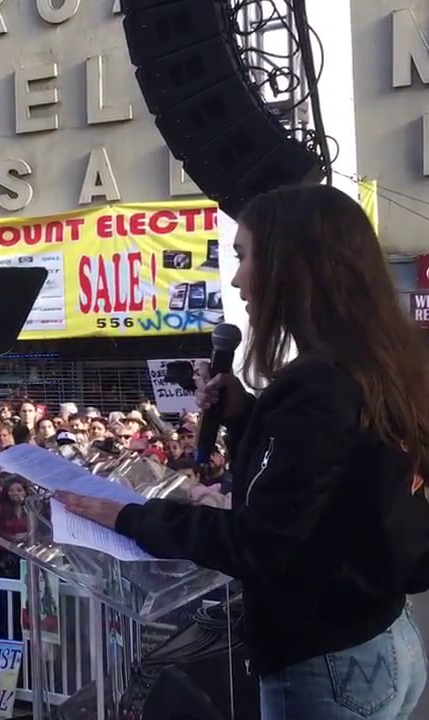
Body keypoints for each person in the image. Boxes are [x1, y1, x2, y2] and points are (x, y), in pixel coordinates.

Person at [59, 184, 429, 720]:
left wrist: (132, 517)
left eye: (243, 258)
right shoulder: (376, 365)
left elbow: (259, 542)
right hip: (385, 637)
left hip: (325, 666)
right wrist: (246, 415)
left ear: (292, 266)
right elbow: (332, 482)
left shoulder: (317, 385)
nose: (236, 280)